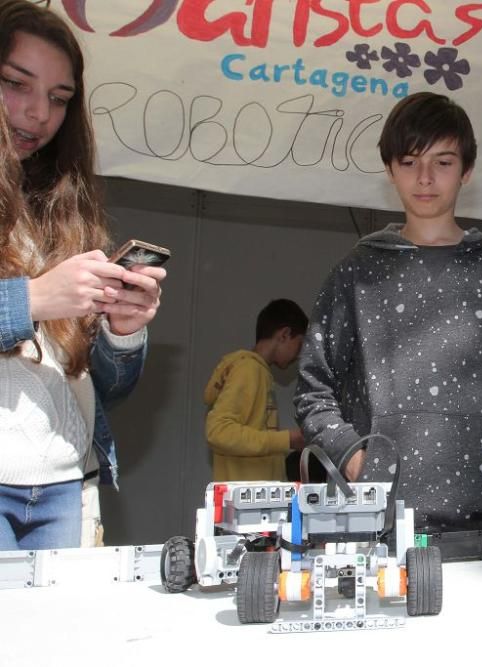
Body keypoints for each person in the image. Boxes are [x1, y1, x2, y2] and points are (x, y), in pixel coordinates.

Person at [295, 92, 482, 532]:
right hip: (377, 527)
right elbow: (314, 392)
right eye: (410, 162)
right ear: (390, 169)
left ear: (466, 171)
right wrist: (357, 465)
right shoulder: (357, 271)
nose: (425, 178)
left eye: (443, 162)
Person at [0, 0, 165, 551]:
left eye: (59, 98)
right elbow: (33, 306)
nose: (37, 113)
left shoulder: (62, 208)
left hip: (67, 485)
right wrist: (32, 301)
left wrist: (123, 332)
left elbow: (103, 392)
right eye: (16, 84)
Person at [205, 299, 307, 482]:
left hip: (253, 503)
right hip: (243, 505)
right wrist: (287, 440)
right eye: (299, 344)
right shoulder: (248, 370)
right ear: (285, 334)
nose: (299, 355)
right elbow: (218, 432)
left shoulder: (258, 372)